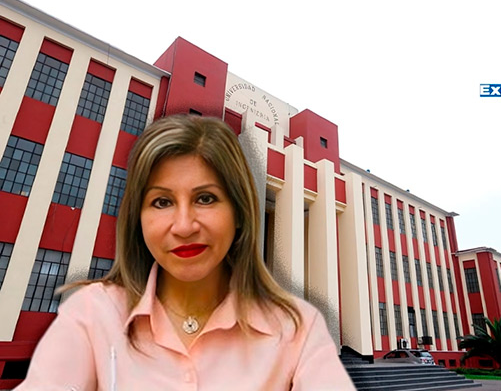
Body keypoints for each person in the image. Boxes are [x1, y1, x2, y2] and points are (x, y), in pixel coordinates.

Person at [16, 115, 356, 390]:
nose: (183, 226)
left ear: (239, 213)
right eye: (162, 202)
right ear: (138, 218)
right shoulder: (94, 314)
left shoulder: (298, 328)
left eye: (205, 198)